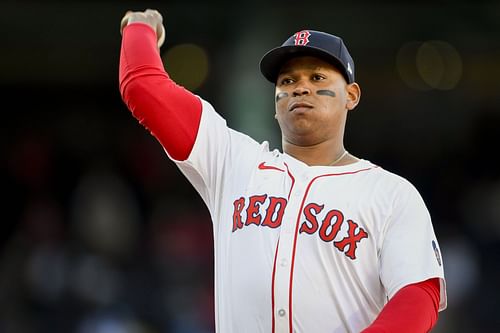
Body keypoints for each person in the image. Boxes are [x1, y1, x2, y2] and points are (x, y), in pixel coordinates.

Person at [118, 8, 447, 333]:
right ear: (274, 102)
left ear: (351, 95)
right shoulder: (234, 162)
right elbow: (144, 88)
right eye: (287, 80)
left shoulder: (390, 194)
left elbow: (419, 296)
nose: (300, 88)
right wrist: (139, 27)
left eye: (317, 77)